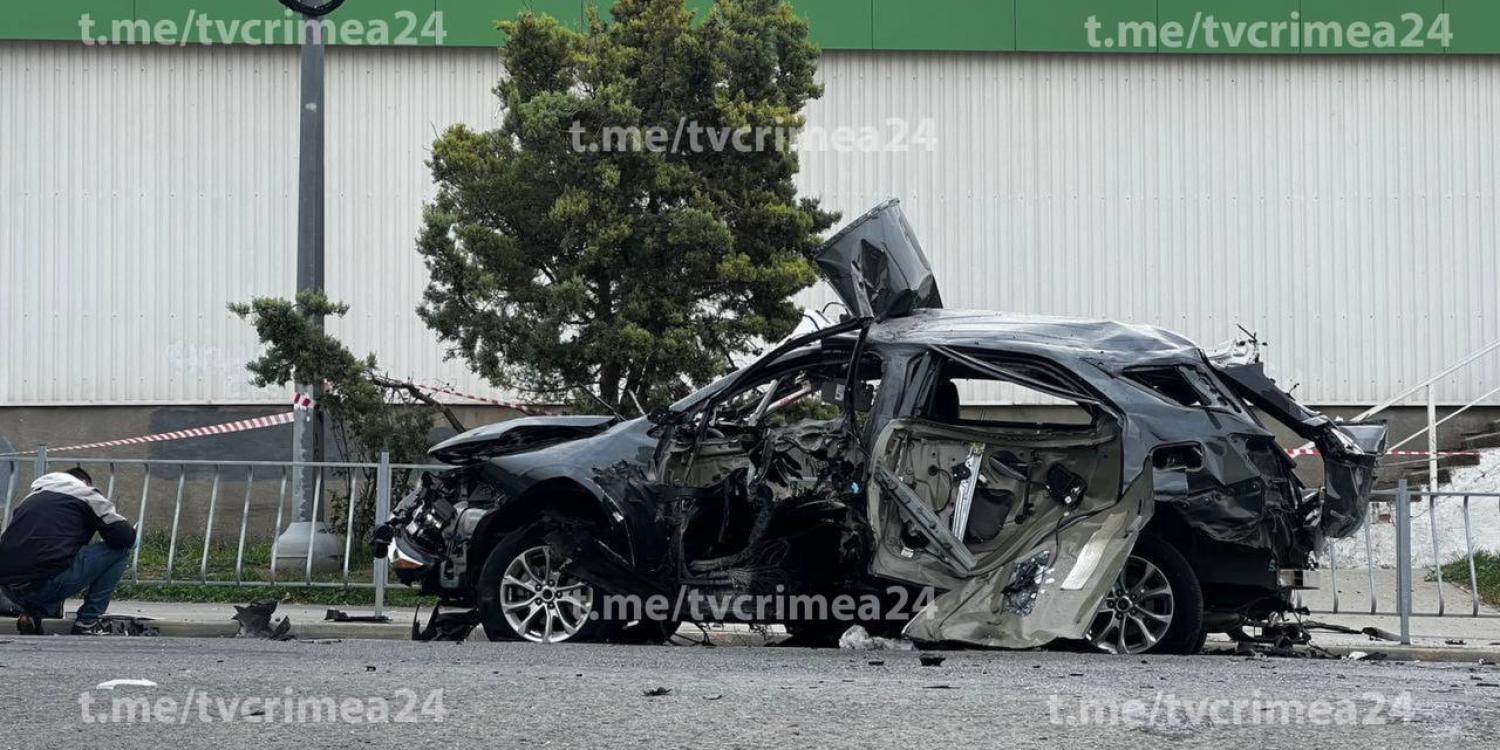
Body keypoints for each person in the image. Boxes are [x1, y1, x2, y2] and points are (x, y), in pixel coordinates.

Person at [0, 467, 136, 635]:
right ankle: (88, 620)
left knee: (49, 560)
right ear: (84, 483)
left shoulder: (30, 499)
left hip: (9, 590)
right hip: (47, 583)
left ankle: (31, 615)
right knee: (119, 552)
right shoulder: (86, 494)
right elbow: (125, 537)